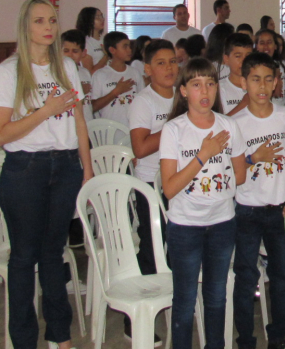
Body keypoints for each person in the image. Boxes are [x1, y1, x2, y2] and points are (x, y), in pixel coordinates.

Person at [0, 0, 91, 349]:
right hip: (26, 170)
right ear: (26, 26)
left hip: (64, 166)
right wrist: (45, 111)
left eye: (51, 20)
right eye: (39, 21)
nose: (48, 27)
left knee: (54, 252)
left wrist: (87, 167)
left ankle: (60, 335)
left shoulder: (66, 66)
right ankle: (23, 339)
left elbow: (79, 119)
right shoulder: (9, 70)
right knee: (23, 257)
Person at [160, 58, 246, 349]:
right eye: (196, 84)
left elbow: (240, 174)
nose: (204, 90)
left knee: (216, 296)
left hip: (222, 223)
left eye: (210, 83)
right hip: (185, 226)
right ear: (183, 91)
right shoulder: (173, 130)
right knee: (184, 300)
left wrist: (221, 189)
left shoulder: (229, 125)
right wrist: (203, 155)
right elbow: (169, 188)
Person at [232, 52, 285, 349]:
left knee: (281, 276)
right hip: (247, 210)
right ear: (244, 82)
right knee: (246, 278)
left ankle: (278, 335)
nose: (262, 86)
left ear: (276, 83)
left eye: (268, 79)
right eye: (255, 79)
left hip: (280, 209)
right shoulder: (235, 123)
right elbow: (230, 171)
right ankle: (245, 338)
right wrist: (253, 157)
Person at [125, 39, 177, 344]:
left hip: (181, 181)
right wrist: (173, 127)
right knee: (152, 247)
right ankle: (137, 319)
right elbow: (140, 147)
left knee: (177, 246)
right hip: (149, 185)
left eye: (172, 61)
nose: (169, 68)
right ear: (147, 70)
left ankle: (175, 298)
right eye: (161, 63)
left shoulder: (183, 95)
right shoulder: (143, 102)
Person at [91, 31, 145, 125]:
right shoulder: (100, 75)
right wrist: (116, 92)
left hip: (132, 128)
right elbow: (93, 107)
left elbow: (143, 101)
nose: (129, 50)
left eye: (129, 46)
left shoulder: (135, 72)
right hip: (109, 130)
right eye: (125, 46)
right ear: (112, 50)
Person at [61, 30, 94, 123]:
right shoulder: (57, 74)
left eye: (75, 51)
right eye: (66, 51)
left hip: (87, 123)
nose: (70, 55)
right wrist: (80, 91)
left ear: (83, 53)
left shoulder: (85, 72)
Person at [219, 33, 254, 115]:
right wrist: (244, 103)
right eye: (238, 56)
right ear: (226, 59)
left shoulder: (258, 85)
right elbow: (219, 123)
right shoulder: (219, 89)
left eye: (248, 56)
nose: (244, 61)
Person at [76, 6, 107, 73]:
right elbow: (90, 72)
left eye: (102, 16)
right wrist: (106, 56)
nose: (102, 19)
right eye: (97, 17)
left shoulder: (105, 39)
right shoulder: (86, 42)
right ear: (88, 20)